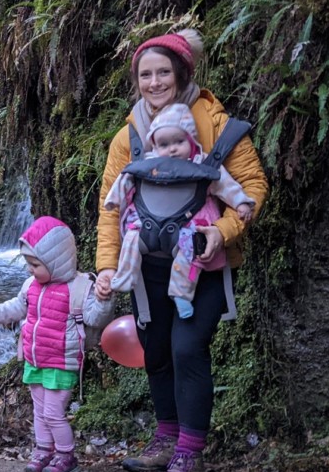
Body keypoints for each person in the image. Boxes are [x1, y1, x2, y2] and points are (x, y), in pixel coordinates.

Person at [95, 29, 268, 472]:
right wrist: (107, 267)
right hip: (147, 268)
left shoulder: (215, 123)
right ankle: (167, 437)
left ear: (183, 72)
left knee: (188, 348)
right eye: (145, 74)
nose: (154, 82)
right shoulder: (127, 137)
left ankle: (190, 455)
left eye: (163, 72)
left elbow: (251, 187)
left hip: (200, 265)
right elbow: (111, 207)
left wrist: (223, 232)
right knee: (155, 352)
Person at [0, 216, 113, 472]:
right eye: (28, 263)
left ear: (56, 261)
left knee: (53, 413)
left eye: (35, 264)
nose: (29, 269)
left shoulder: (79, 289)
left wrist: (104, 299)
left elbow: (96, 318)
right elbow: (17, 307)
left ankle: (66, 456)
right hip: (35, 360)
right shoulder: (31, 286)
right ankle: (43, 450)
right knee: (40, 411)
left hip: (62, 362)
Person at [104, 102, 255, 319]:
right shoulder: (149, 162)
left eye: (179, 141)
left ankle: (181, 293)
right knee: (131, 239)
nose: (172, 149)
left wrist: (241, 202)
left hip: (188, 226)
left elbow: (225, 185)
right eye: (164, 144)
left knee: (189, 254)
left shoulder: (201, 164)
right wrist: (114, 201)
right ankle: (125, 275)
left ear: (191, 139)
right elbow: (124, 179)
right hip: (147, 225)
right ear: (155, 146)